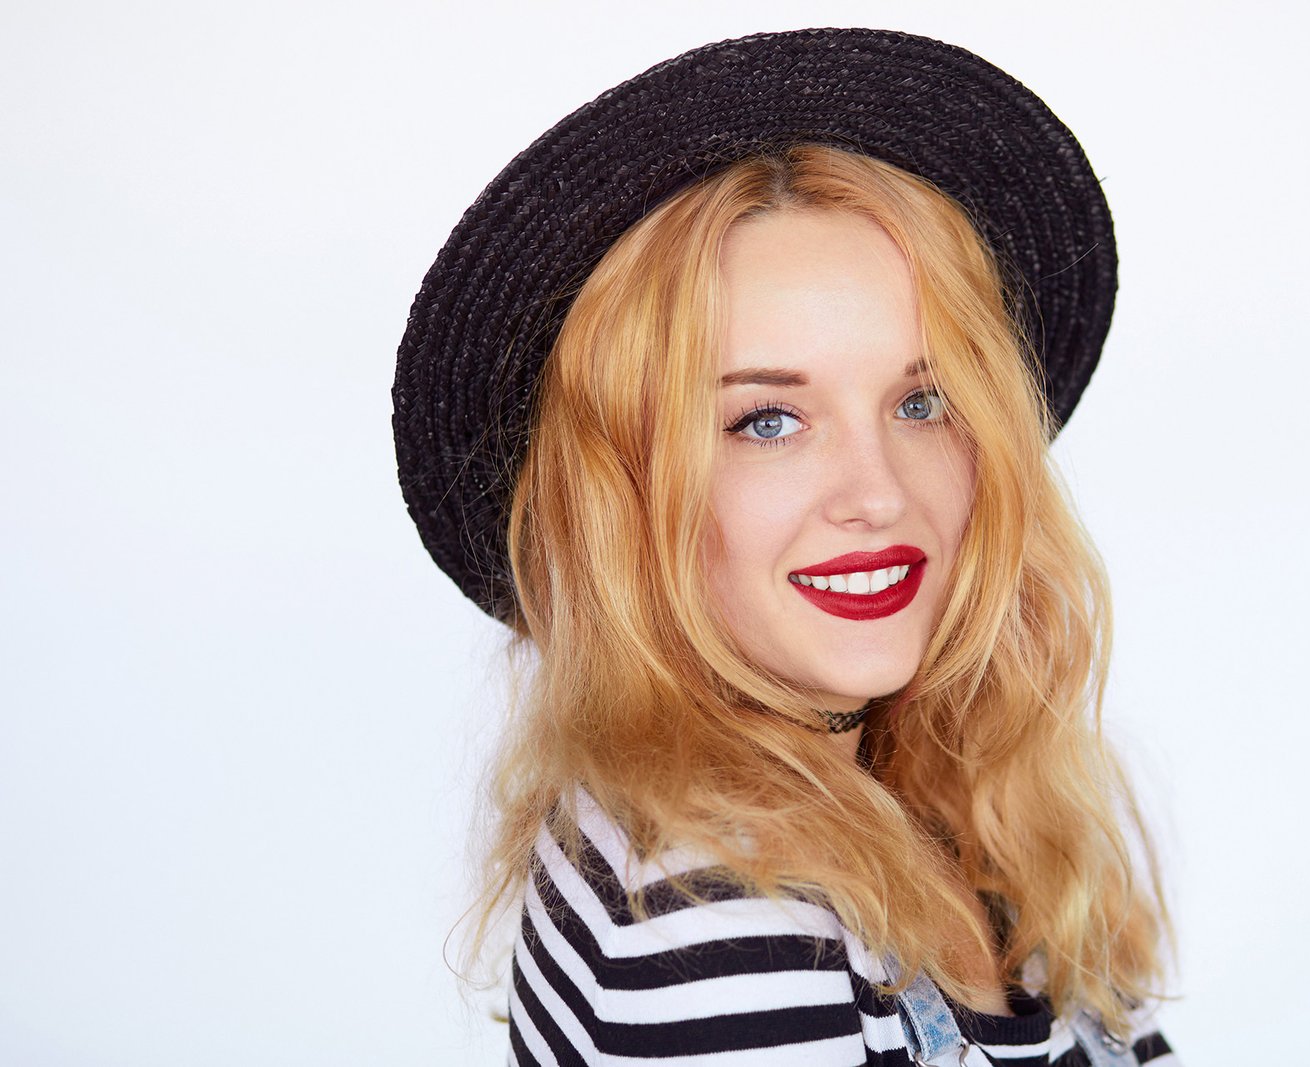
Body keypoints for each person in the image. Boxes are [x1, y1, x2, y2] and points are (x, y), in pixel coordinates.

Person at [394, 28, 1177, 1067]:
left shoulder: (947, 803)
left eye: (922, 401)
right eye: (768, 419)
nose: (879, 494)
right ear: (623, 489)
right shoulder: (713, 919)